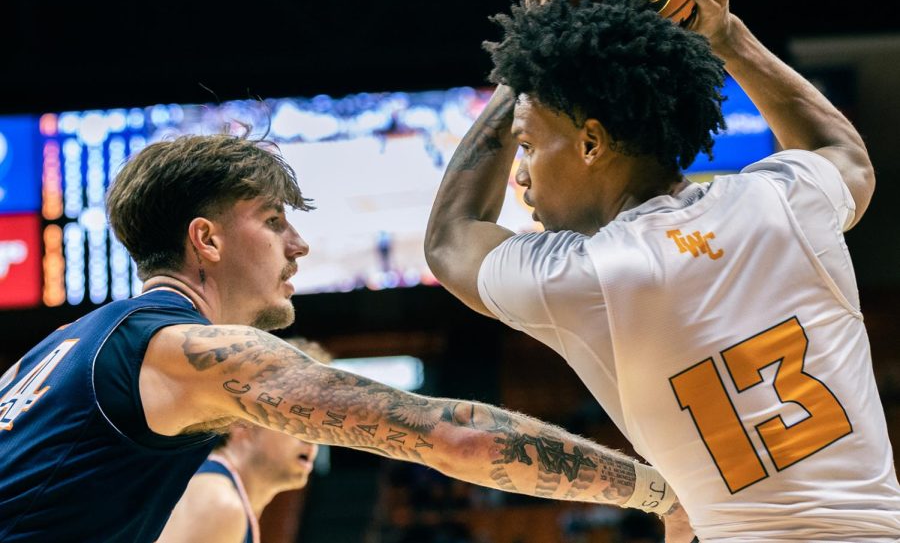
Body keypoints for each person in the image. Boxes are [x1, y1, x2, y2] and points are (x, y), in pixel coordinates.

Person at [424, 0, 900, 541]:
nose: (522, 176)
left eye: (529, 147)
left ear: (592, 143)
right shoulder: (781, 202)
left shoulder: (584, 275)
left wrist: (523, 63)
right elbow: (846, 156)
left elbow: (452, 234)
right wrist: (729, 35)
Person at [0, 130, 689, 543]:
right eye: (272, 220)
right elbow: (452, 434)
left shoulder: (60, 345)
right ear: (205, 239)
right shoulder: (187, 352)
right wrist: (662, 492)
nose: (297, 245)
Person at [157, 337, 331, 543]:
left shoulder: (225, 496)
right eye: (299, 421)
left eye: (318, 426)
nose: (312, 438)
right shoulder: (219, 503)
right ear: (244, 420)